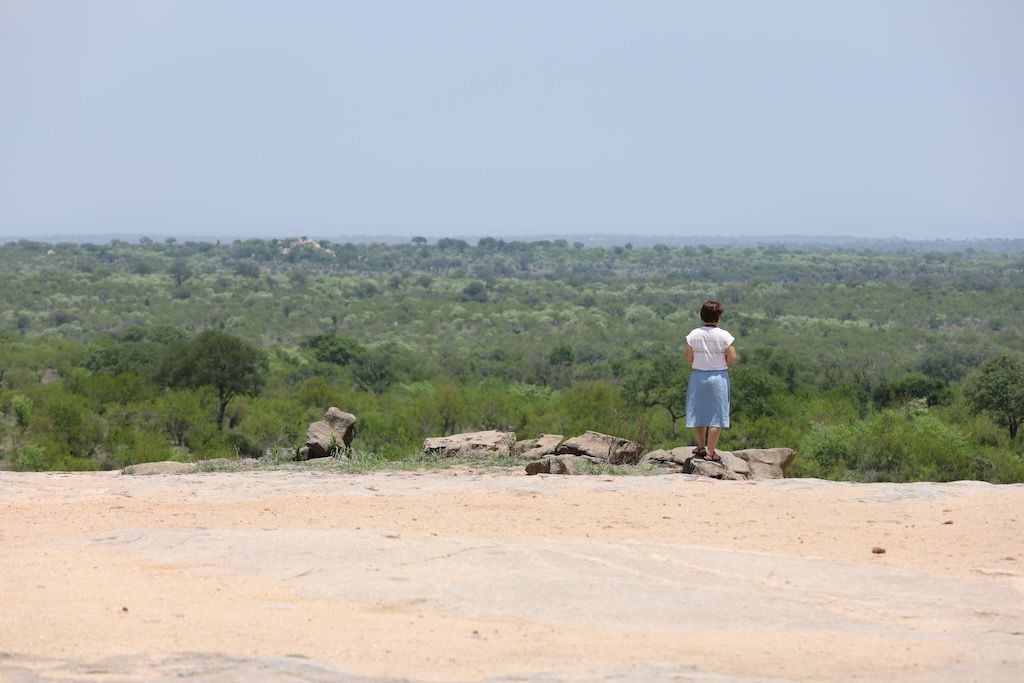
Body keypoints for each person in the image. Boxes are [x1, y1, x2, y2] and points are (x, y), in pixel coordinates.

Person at [684, 300, 737, 462]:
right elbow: (732, 358)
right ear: (718, 317)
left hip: (698, 376)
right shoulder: (724, 335)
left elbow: (688, 357)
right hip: (718, 377)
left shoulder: (693, 334)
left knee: (698, 412)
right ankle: (710, 452)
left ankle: (700, 447)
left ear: (702, 315)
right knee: (717, 415)